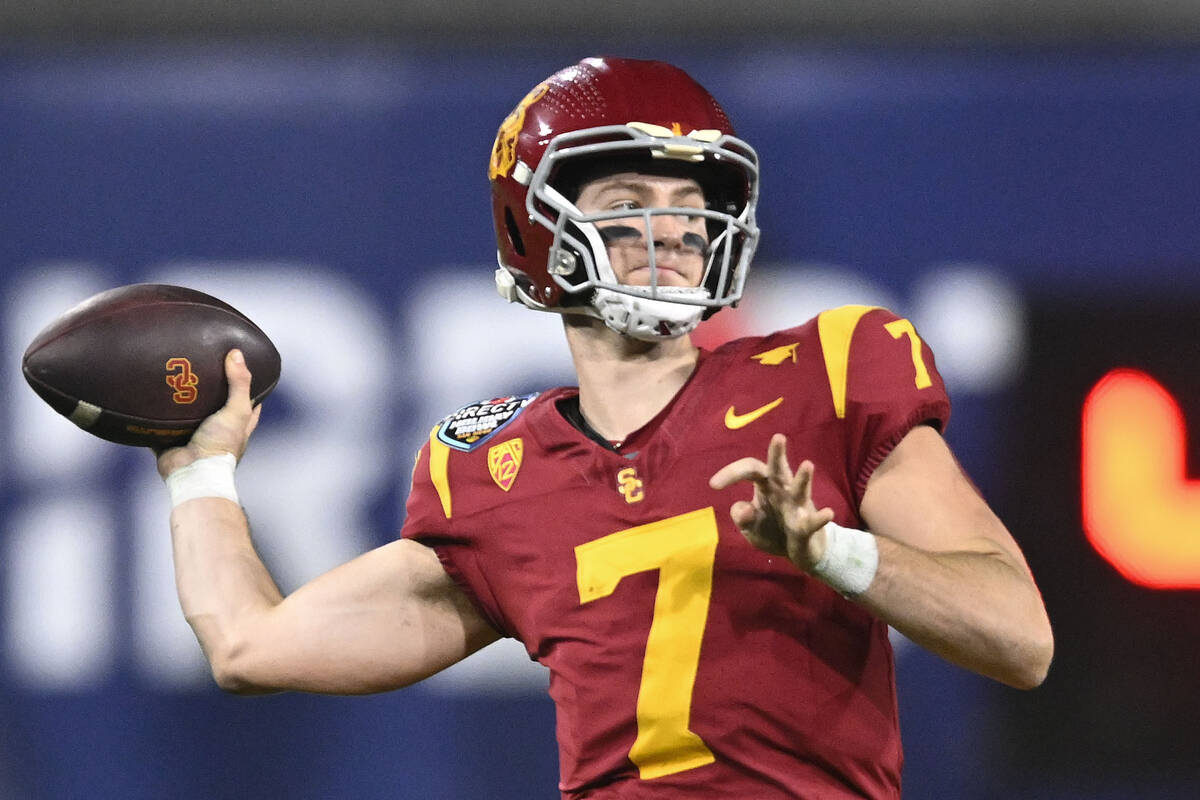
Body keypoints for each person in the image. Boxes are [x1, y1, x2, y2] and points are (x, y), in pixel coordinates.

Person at [157, 57, 1054, 799]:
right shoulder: (495, 472)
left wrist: (836, 555)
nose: (669, 230)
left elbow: (1019, 638)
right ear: (535, 226)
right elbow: (248, 644)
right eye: (628, 201)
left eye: (689, 201)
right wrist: (199, 473)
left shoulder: (830, 372)